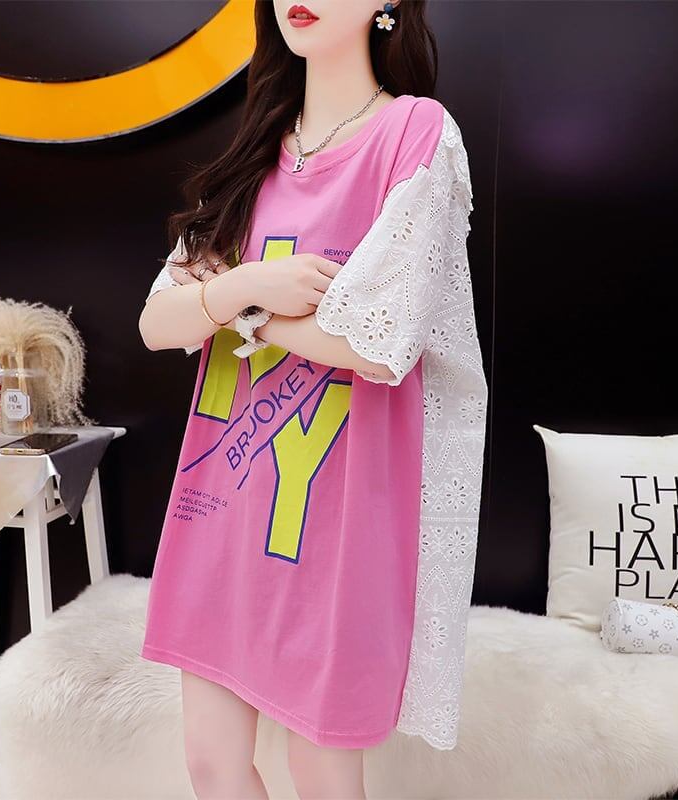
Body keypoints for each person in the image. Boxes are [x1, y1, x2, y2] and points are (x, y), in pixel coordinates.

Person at [138, 1, 489, 798]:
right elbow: (158, 322)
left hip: (334, 525)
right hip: (219, 507)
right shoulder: (256, 152)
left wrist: (239, 307)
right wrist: (255, 286)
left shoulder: (414, 134)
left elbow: (381, 342)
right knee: (212, 766)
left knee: (322, 772)